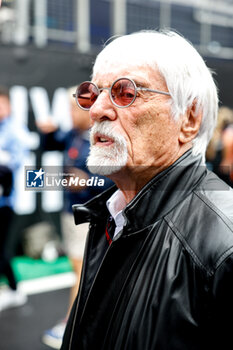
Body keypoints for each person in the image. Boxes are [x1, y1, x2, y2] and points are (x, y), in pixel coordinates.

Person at [61, 30, 233, 350]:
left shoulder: (224, 245)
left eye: (125, 92)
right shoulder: (112, 216)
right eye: (91, 93)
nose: (97, 110)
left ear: (189, 119)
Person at [37, 87, 112, 349]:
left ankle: (72, 323)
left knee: (82, 272)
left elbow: (117, 179)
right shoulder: (72, 134)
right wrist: (47, 133)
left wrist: (88, 181)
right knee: (78, 270)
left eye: (73, 108)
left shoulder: (101, 138)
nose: (69, 113)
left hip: (89, 215)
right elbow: (49, 145)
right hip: (71, 212)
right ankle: (82, 322)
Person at [0, 86, 28, 311]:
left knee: (1, 249)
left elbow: (15, 162)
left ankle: (14, 289)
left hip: (6, 201)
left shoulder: (14, 130)